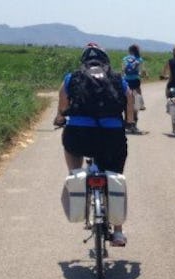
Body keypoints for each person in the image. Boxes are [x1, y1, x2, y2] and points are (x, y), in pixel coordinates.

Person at [54, 43, 134, 246]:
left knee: (70, 146)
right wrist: (130, 120)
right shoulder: (117, 79)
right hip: (112, 136)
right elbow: (130, 98)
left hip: (79, 136)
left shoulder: (72, 77)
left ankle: (75, 175)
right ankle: (117, 231)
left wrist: (60, 118)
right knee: (115, 176)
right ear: (105, 61)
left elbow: (63, 101)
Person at [122, 44, 146, 132]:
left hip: (126, 81)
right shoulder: (139, 59)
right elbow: (142, 71)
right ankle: (134, 123)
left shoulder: (125, 59)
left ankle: (127, 122)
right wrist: (144, 75)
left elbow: (122, 70)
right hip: (135, 81)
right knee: (137, 102)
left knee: (126, 102)